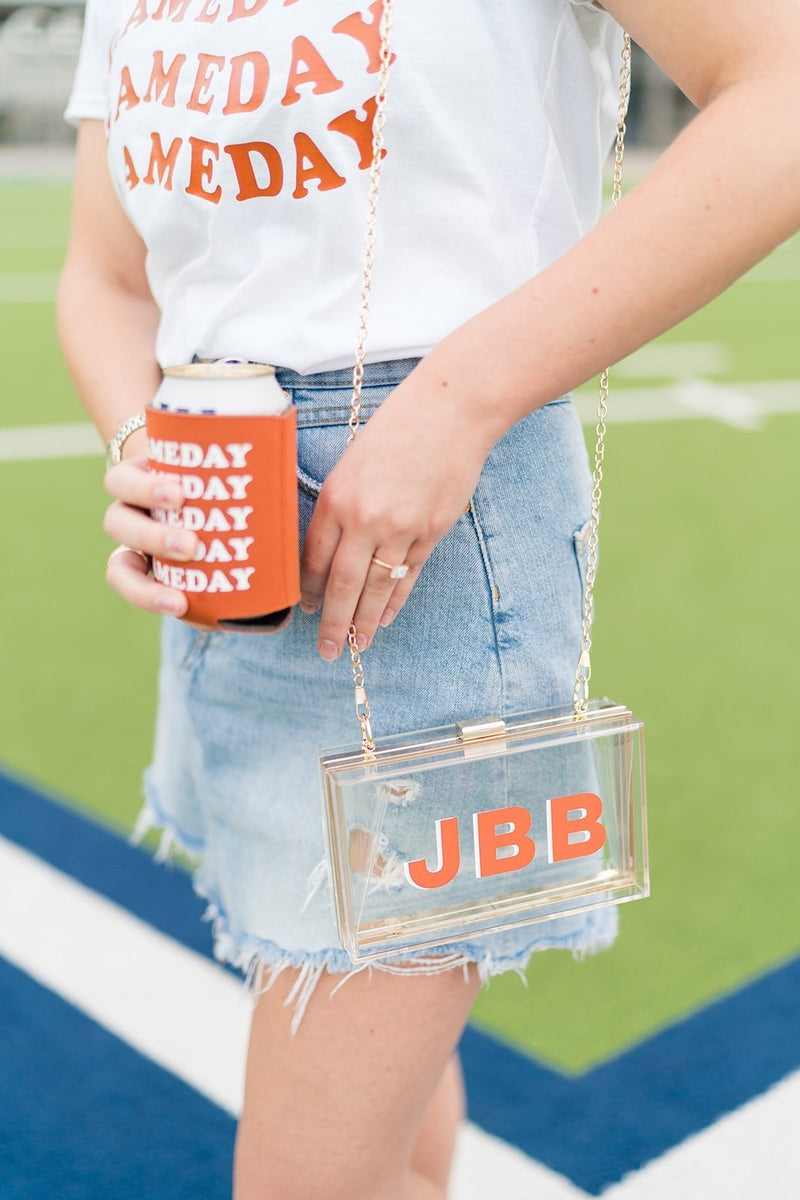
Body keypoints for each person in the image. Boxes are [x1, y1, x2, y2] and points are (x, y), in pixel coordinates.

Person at [57, 1, 800, 1196]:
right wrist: (138, 446)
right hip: (217, 519)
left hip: (435, 544)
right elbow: (105, 278)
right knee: (380, 1127)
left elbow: (783, 91)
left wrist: (456, 402)